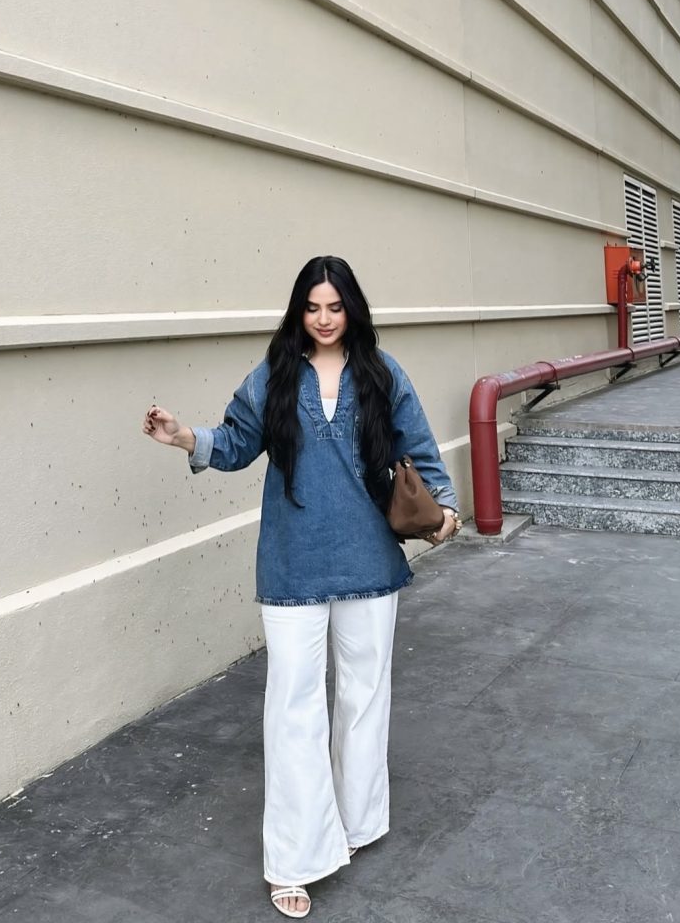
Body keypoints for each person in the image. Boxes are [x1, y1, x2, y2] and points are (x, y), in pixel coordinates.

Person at [142, 256, 459, 918]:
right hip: (291, 565)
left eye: (334, 307)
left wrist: (445, 508)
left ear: (351, 310)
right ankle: (294, 857)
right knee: (293, 708)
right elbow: (232, 442)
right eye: (312, 307)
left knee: (365, 697)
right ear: (298, 311)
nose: (322, 319)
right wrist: (182, 437)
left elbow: (420, 448)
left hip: (370, 562)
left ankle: (358, 820)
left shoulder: (381, 373)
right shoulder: (272, 378)